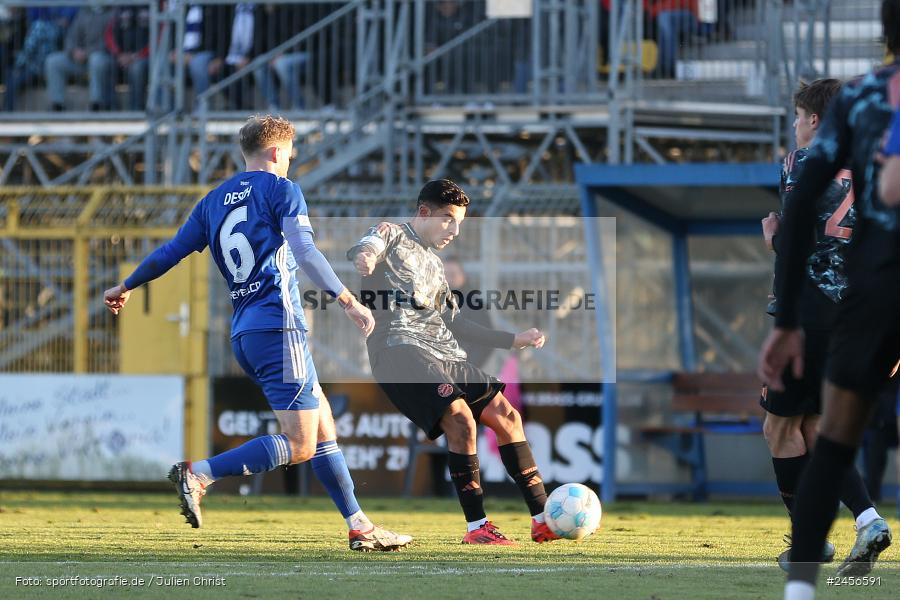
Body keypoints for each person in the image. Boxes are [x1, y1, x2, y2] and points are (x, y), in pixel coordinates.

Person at [102, 115, 411, 552]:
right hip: (279, 326)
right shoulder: (282, 190)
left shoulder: (213, 201)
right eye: (289, 154)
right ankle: (200, 472)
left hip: (246, 332)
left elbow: (171, 251)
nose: (289, 162)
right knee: (302, 443)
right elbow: (304, 250)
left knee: (321, 425)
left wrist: (127, 284)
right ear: (276, 153)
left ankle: (359, 525)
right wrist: (348, 300)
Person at [758, 2, 900, 597]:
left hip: (821, 303)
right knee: (821, 428)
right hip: (878, 301)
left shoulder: (812, 152)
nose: (793, 128)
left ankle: (807, 554)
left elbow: (801, 228)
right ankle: (864, 521)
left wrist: (777, 239)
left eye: (796, 117)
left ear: (816, 119)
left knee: (780, 428)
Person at [347, 179, 554, 545]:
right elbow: (369, 244)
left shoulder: (435, 265)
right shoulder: (392, 233)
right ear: (424, 212)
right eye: (448, 220)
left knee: (508, 416)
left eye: (459, 223)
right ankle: (478, 528)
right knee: (460, 419)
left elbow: (454, 322)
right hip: (399, 349)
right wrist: (365, 256)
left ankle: (543, 519)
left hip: (444, 352)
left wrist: (512, 340)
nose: (454, 231)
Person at [44, 5, 114, 111]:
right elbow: (71, 36)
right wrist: (73, 51)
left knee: (96, 59)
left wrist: (88, 52)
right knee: (53, 61)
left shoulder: (113, 13)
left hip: (103, 58)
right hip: (80, 57)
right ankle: (57, 104)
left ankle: (96, 103)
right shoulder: (83, 12)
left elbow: (110, 42)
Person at [104, 5, 151, 111]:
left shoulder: (154, 5)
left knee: (137, 68)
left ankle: (136, 109)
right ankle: (111, 108)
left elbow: (159, 36)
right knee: (106, 64)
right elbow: (109, 34)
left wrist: (137, 56)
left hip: (144, 57)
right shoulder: (120, 6)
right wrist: (118, 54)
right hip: (120, 56)